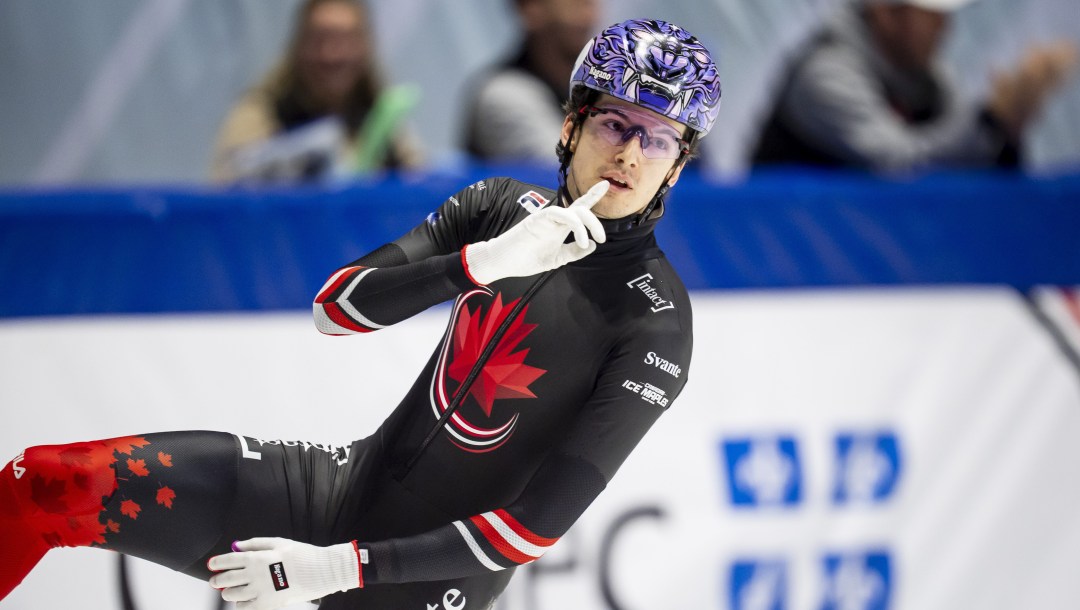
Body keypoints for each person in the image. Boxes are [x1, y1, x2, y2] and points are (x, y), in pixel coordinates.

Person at [0, 18, 721, 610]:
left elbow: (532, 529)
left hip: (423, 584)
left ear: (677, 166)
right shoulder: (499, 207)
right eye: (615, 124)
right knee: (42, 486)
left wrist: (336, 569)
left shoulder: (655, 322)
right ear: (571, 126)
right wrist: (480, 264)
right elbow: (334, 310)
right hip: (339, 491)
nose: (630, 154)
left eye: (658, 139)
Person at [751, 0, 1077, 173]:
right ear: (886, 13)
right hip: (781, 270)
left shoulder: (934, 78)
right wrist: (991, 122)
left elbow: (961, 163)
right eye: (931, 14)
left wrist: (1007, 132)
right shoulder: (825, 74)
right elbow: (900, 167)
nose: (945, 27)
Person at [210, 0, 422, 183]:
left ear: (366, 48)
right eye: (318, 40)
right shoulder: (260, 114)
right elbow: (226, 194)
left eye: (345, 41)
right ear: (298, 47)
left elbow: (422, 187)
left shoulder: (383, 122)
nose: (331, 55)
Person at [461, 0, 600, 162]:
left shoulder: (592, 88)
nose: (587, 16)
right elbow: (572, 168)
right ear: (530, 8)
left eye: (589, 4)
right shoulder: (504, 96)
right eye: (575, 4)